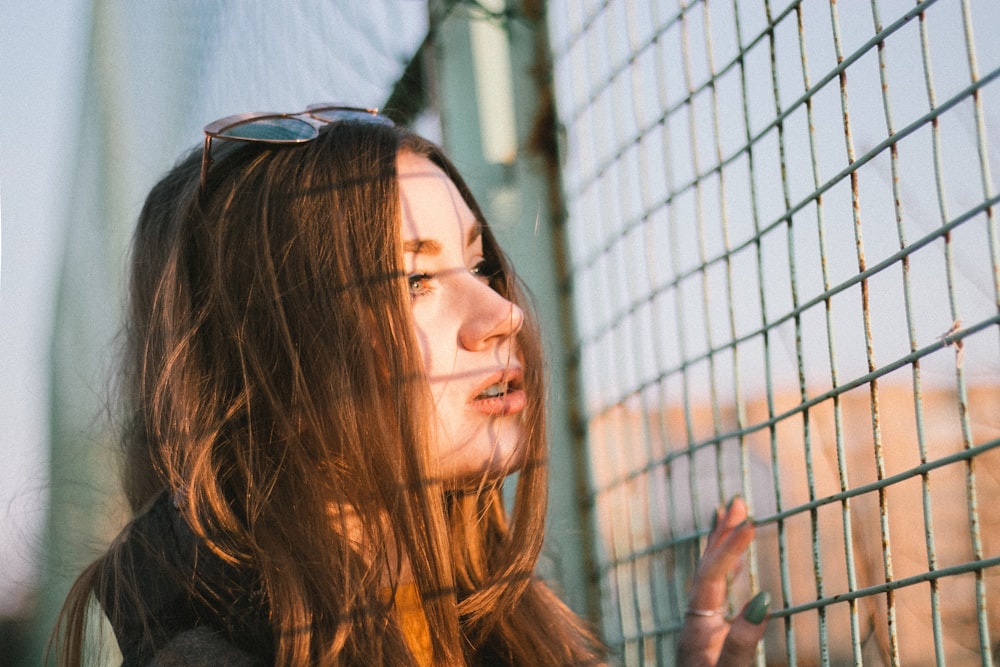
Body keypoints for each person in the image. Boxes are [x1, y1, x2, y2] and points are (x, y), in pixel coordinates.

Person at [53, 105, 769, 666]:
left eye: (480, 265)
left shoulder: (504, 624)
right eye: (413, 279)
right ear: (268, 361)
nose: (503, 312)